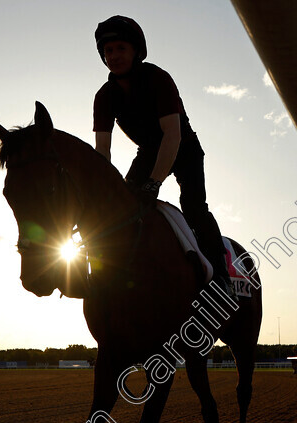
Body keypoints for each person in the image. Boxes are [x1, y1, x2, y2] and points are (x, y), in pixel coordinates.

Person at [92, 15, 237, 302]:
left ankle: (222, 278)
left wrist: (153, 183)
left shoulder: (158, 78)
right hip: (148, 151)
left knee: (194, 207)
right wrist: (101, 193)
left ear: (136, 51)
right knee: (122, 208)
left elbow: (172, 135)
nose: (114, 56)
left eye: (121, 48)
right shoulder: (104, 96)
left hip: (183, 147)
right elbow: (102, 153)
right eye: (108, 51)